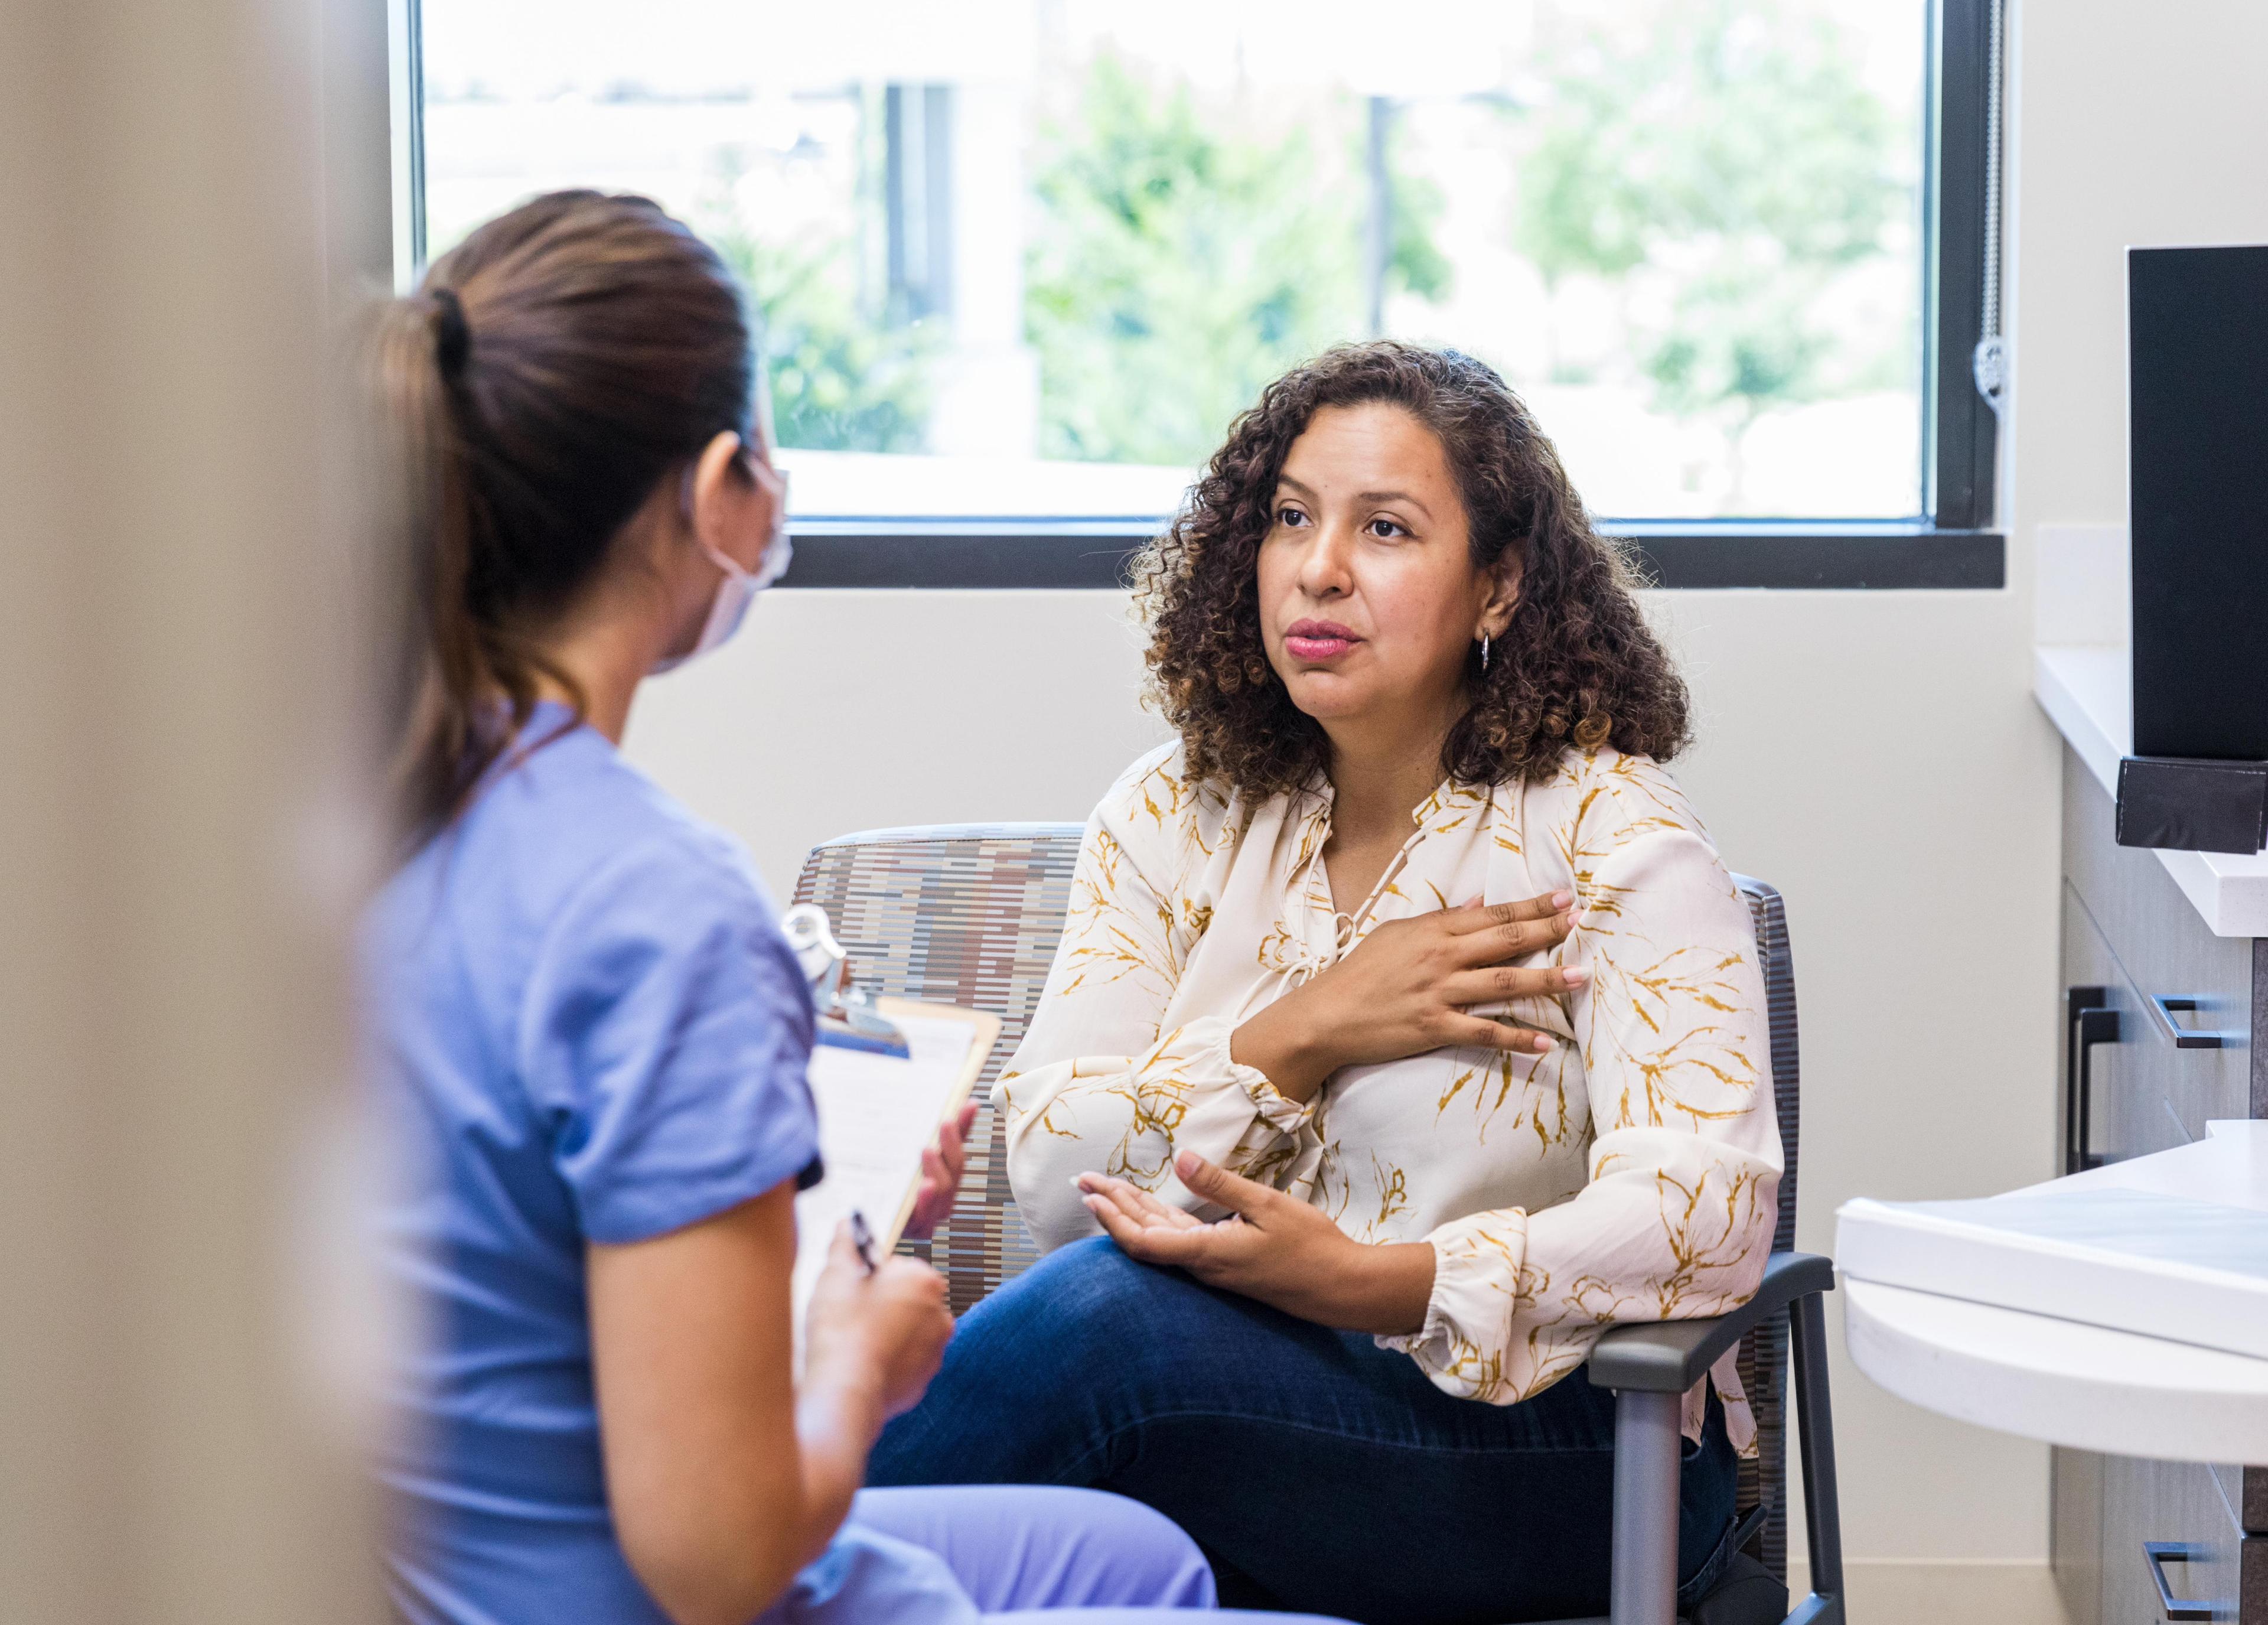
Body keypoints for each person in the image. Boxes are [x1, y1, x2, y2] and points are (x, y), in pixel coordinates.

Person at [363, 188, 1350, 1625]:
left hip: (466, 1558)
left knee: (1145, 1560)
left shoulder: (364, 823)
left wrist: (826, 1233)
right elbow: (716, 1559)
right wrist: (861, 1362)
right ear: (721, 492)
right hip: (653, 1581)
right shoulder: (656, 905)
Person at [869, 342, 1783, 1625]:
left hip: (1557, 1450)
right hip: (1239, 1429)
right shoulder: (1171, 813)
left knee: (1095, 1328)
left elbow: (1710, 1212)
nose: (1320, 566)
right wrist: (1303, 1030)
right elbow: (1050, 1161)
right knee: (1077, 1373)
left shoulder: (1610, 839)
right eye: (1291, 517)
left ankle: (711, 1572)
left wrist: (1386, 1281)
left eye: (1388, 528)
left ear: (1500, 586)